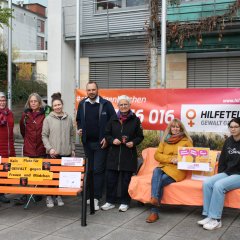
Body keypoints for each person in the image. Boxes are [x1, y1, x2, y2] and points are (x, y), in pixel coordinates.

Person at [76, 81, 116, 210]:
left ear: (97, 90)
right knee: (90, 170)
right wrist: (80, 128)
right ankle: (88, 195)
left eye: (93, 90)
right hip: (87, 143)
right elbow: (79, 120)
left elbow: (114, 122)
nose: (91, 92)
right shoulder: (82, 104)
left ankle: (96, 198)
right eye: (89, 90)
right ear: (86, 91)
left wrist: (107, 138)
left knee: (98, 170)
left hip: (101, 144)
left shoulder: (106, 104)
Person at [101, 95, 144, 212]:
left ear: (129, 105)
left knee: (126, 180)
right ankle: (109, 201)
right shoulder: (113, 118)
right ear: (118, 106)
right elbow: (107, 134)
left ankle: (125, 202)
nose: (123, 106)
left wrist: (133, 143)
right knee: (110, 179)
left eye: (125, 104)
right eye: (121, 104)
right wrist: (111, 140)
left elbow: (140, 137)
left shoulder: (136, 120)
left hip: (128, 155)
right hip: (113, 154)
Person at [146, 118, 193, 223]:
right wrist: (170, 159)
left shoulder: (187, 141)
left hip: (178, 170)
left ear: (181, 129)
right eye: (173, 126)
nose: (175, 129)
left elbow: (190, 157)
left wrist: (179, 159)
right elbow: (157, 155)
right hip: (164, 166)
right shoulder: (165, 140)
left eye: (177, 127)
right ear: (170, 128)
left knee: (159, 181)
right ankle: (155, 199)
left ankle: (154, 210)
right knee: (156, 171)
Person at [198, 117, 240, 230]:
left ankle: (216, 219)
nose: (233, 129)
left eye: (236, 126)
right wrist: (220, 175)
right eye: (231, 127)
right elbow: (222, 160)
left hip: (239, 175)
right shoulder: (228, 141)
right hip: (228, 172)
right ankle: (208, 215)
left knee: (219, 185)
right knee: (207, 183)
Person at [14, 93, 50, 205]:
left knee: (39, 172)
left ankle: (37, 193)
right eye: (31, 101)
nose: (33, 103)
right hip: (29, 148)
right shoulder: (25, 115)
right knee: (27, 172)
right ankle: (25, 194)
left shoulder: (45, 115)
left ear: (39, 103)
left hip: (41, 147)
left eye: (35, 101)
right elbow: (23, 131)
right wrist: (28, 141)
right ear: (29, 103)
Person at [42, 92, 75, 208]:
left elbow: (72, 135)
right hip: (53, 154)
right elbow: (44, 136)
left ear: (62, 105)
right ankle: (49, 197)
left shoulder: (69, 118)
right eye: (55, 105)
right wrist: (50, 149)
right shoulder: (48, 119)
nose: (57, 107)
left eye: (59, 105)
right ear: (52, 106)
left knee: (62, 177)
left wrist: (72, 149)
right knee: (51, 177)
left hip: (65, 153)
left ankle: (58, 195)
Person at [0, 92, 15, 204]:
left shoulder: (9, 113)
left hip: (9, 147)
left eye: (4, 100)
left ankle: (2, 194)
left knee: (5, 171)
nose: (2, 102)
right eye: (0, 100)